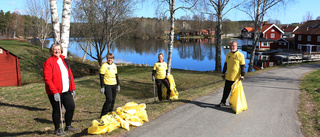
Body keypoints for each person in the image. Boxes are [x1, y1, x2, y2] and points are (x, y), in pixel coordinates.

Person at [43, 44, 78, 135]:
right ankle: (57, 129)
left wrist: (72, 88)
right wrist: (55, 92)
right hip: (55, 92)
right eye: (55, 49)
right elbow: (47, 79)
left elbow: (70, 75)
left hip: (66, 90)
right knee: (57, 110)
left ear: (61, 50)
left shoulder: (64, 60)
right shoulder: (49, 62)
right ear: (51, 51)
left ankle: (68, 126)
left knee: (71, 107)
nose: (57, 51)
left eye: (59, 49)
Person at [217, 41, 245, 107]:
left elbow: (243, 66)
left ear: (236, 46)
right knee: (226, 91)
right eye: (231, 46)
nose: (232, 47)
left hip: (236, 77)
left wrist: (242, 75)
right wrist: (223, 73)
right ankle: (223, 102)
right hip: (228, 76)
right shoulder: (228, 54)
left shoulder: (240, 55)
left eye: (234, 46)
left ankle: (234, 104)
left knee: (235, 92)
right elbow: (226, 64)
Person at [100, 53, 120, 118]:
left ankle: (110, 112)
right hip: (107, 85)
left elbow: (116, 75)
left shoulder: (114, 66)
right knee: (109, 100)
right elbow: (101, 77)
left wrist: (118, 85)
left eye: (111, 58)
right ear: (107, 59)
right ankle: (103, 115)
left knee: (113, 100)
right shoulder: (104, 66)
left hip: (114, 84)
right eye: (109, 58)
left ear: (113, 59)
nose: (110, 59)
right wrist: (102, 87)